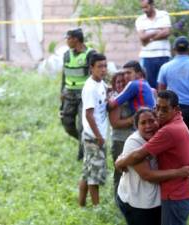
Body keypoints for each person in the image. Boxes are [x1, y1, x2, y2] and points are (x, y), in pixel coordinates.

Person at [115, 90, 189, 225]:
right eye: (143, 123)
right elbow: (146, 174)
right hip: (138, 203)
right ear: (136, 126)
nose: (159, 114)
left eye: (151, 121)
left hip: (169, 197)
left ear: (175, 110)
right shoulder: (135, 141)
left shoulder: (165, 130)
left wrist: (120, 162)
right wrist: (119, 162)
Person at [60, 28, 96, 161]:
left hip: (84, 95)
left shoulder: (90, 54)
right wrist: (62, 91)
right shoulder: (66, 54)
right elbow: (64, 74)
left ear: (75, 39)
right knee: (67, 123)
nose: (67, 41)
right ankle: (83, 141)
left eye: (68, 38)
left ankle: (82, 155)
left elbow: (95, 74)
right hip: (69, 93)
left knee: (82, 126)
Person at [78, 53, 108, 207]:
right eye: (99, 67)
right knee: (94, 176)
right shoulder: (90, 88)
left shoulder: (101, 83)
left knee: (87, 171)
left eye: (105, 66)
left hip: (95, 135)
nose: (103, 70)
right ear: (91, 68)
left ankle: (81, 204)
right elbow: (89, 115)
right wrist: (99, 136)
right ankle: (97, 208)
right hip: (94, 137)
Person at [108, 71, 134, 196]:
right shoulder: (115, 99)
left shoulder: (131, 96)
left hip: (132, 141)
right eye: (118, 82)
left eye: (124, 82)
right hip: (120, 141)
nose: (121, 84)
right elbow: (115, 123)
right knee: (120, 171)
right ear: (114, 84)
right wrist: (133, 119)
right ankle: (118, 198)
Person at [136, 0, 171, 89]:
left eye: (146, 7)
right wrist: (157, 31)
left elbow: (166, 32)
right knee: (150, 86)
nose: (144, 10)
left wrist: (150, 39)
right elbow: (142, 37)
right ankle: (153, 103)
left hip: (163, 56)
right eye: (142, 8)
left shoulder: (163, 15)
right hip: (148, 57)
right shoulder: (140, 19)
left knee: (164, 85)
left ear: (152, 4)